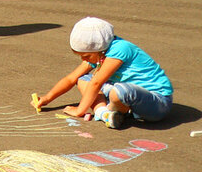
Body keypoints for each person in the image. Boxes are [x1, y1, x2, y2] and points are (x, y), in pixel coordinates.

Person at [34, 16, 173, 129]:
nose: (84, 59)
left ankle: (113, 110)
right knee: (83, 79)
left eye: (86, 56)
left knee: (118, 91)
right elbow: (71, 79)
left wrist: (79, 111)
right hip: (130, 98)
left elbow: (97, 83)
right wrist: (47, 98)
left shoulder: (120, 48)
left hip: (157, 102)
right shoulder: (100, 52)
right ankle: (106, 114)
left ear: (98, 48)